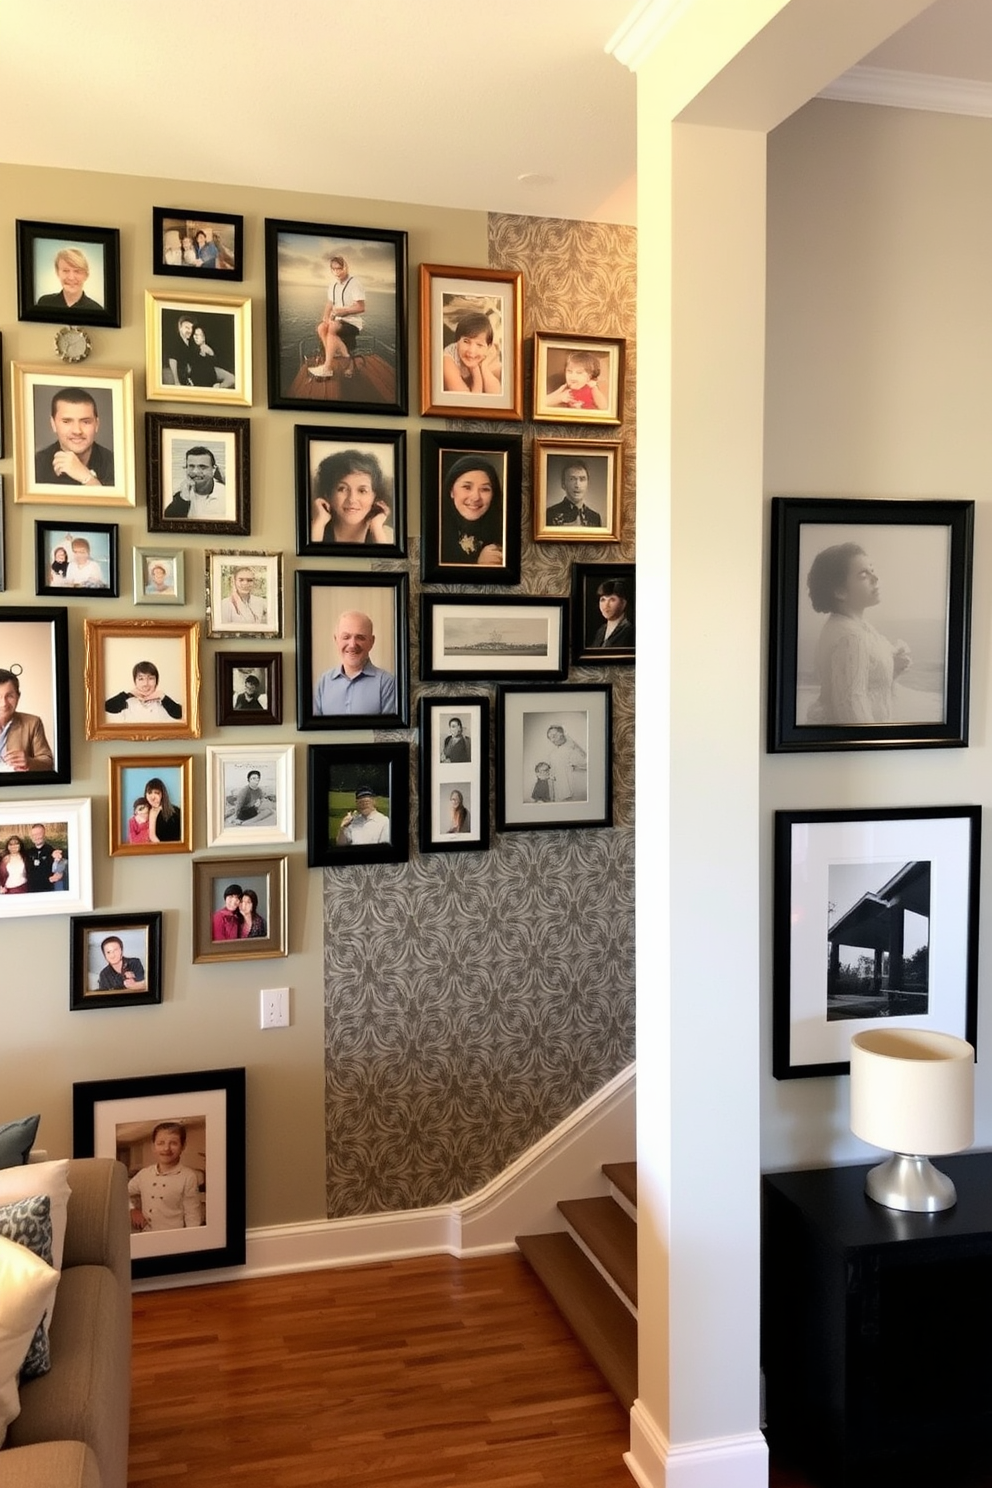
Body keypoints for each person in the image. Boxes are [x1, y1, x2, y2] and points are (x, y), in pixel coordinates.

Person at [805, 543, 912, 725]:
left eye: (872, 570)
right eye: (864, 575)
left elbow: (863, 680)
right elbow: (851, 706)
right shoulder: (851, 637)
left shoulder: (849, 626)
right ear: (840, 591)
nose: (875, 578)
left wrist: (892, 666)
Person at [314, 610, 396, 717]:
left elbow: (388, 732)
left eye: (360, 637)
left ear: (371, 642)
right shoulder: (323, 682)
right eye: (346, 637)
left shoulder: (387, 683)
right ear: (336, 640)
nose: (352, 644)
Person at [128, 1122, 202, 1232]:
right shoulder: (144, 1174)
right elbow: (120, 1192)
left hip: (174, 1240)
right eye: (161, 1143)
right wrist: (132, 1210)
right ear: (153, 1146)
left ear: (183, 1146)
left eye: (173, 1143)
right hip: (145, 1237)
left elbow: (193, 1218)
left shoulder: (188, 1177)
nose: (166, 1148)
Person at [35, 387, 115, 488]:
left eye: (86, 422)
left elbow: (111, 503)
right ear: (53, 424)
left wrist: (87, 477)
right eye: (67, 422)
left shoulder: (115, 465)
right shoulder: (36, 466)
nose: (77, 431)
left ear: (97, 424)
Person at [310, 450, 392, 545]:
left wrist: (376, 528)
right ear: (327, 494)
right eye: (342, 489)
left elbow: (386, 560)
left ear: (375, 496)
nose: (352, 499)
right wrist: (319, 524)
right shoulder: (313, 529)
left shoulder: (388, 535)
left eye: (362, 491)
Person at [440, 455, 504, 567]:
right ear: (451, 491)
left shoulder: (504, 534)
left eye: (485, 489)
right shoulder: (436, 535)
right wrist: (479, 565)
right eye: (467, 487)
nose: (476, 497)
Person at [309, 253, 365, 379]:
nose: (336, 272)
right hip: (338, 320)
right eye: (333, 269)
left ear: (345, 267)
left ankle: (327, 367)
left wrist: (343, 312)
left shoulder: (354, 283)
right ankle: (344, 355)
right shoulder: (333, 284)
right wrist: (325, 317)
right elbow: (330, 303)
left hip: (352, 322)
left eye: (339, 268)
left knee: (332, 327)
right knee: (321, 328)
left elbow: (361, 307)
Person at [0, 668, 54, 773]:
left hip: (20, 787)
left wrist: (30, 762)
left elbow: (48, 762)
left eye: (10, 696)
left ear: (18, 696)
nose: (4, 704)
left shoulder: (32, 723)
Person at [443, 310, 502, 395]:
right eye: (466, 341)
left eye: (479, 345)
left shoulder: (489, 352)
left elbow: (497, 394)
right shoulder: (448, 359)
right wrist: (475, 371)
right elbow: (468, 401)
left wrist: (484, 367)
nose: (471, 351)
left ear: (488, 347)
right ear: (457, 341)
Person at [105, 662, 183, 724]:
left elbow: (180, 714)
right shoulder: (128, 702)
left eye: (150, 678)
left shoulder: (164, 701)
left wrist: (162, 696)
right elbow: (106, 707)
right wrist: (128, 695)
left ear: (156, 681)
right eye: (141, 679)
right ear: (135, 681)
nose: (146, 683)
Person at [164, 446, 227, 519]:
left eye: (202, 467)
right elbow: (169, 521)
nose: (195, 472)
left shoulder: (226, 495)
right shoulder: (179, 494)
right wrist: (183, 499)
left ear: (213, 469)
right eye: (191, 466)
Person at [35, 246, 103, 313]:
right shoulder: (44, 303)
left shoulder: (97, 310)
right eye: (65, 271)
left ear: (86, 275)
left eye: (77, 271)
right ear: (57, 273)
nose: (71, 277)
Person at [546, 459, 603, 528]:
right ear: (563, 484)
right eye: (572, 479)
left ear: (588, 484)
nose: (577, 485)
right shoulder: (550, 514)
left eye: (582, 479)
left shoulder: (595, 517)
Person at [545, 725, 588, 802]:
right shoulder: (553, 754)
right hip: (558, 792)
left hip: (571, 791)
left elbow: (586, 763)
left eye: (554, 736)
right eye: (550, 738)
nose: (552, 740)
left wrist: (575, 768)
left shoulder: (572, 748)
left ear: (562, 734)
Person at [592, 578, 634, 648]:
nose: (606, 605)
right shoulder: (601, 631)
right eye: (603, 600)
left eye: (612, 600)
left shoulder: (630, 631)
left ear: (623, 603)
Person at [144, 778, 182, 844]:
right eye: (149, 793)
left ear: (162, 794)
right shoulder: (142, 814)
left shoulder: (176, 812)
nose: (152, 797)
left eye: (157, 793)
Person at [164, 314, 196, 386]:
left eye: (191, 328)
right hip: (174, 377)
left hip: (185, 378)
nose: (190, 331)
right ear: (180, 327)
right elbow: (172, 360)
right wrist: (176, 381)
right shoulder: (175, 342)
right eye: (187, 328)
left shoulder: (191, 343)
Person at [25, 823, 58, 892]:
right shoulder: (28, 852)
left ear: (44, 834)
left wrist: (59, 873)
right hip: (30, 890)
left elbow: (63, 861)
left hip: (47, 889)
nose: (36, 837)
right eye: (34, 835)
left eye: (39, 834)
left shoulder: (52, 851)